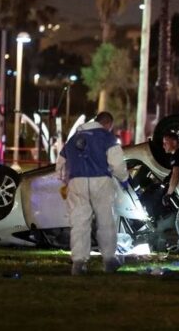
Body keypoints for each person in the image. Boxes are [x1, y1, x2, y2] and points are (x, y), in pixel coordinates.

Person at [56, 111, 128, 276]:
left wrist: (66, 181)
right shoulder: (107, 137)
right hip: (101, 181)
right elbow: (117, 163)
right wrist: (124, 179)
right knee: (106, 221)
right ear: (108, 124)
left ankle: (78, 263)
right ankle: (109, 260)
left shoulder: (73, 139)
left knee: (79, 223)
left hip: (77, 182)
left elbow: (60, 163)